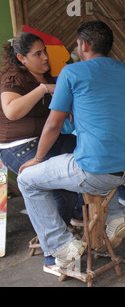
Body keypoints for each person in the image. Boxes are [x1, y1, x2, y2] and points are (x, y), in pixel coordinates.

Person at [17, 20, 125, 269]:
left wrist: (38, 158)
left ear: (83, 45)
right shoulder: (121, 68)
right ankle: (116, 218)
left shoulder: (71, 73)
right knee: (96, 160)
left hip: (97, 172)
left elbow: (54, 124)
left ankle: (61, 244)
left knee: (26, 180)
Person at [0, 32, 82, 275]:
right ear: (21, 58)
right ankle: (52, 256)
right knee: (52, 188)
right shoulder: (13, 78)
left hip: (46, 141)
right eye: (38, 54)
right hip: (16, 146)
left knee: (82, 159)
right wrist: (44, 89)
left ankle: (75, 217)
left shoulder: (49, 76)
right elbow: (12, 112)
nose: (45, 57)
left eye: (44, 51)